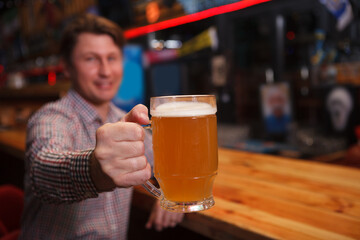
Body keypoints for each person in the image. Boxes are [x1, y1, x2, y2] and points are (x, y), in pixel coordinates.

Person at [19, 14, 183, 239]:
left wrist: (172, 193)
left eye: (112, 58)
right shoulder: (50, 117)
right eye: (91, 59)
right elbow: (44, 171)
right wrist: (94, 168)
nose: (106, 71)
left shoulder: (127, 120)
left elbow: (170, 161)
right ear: (66, 67)